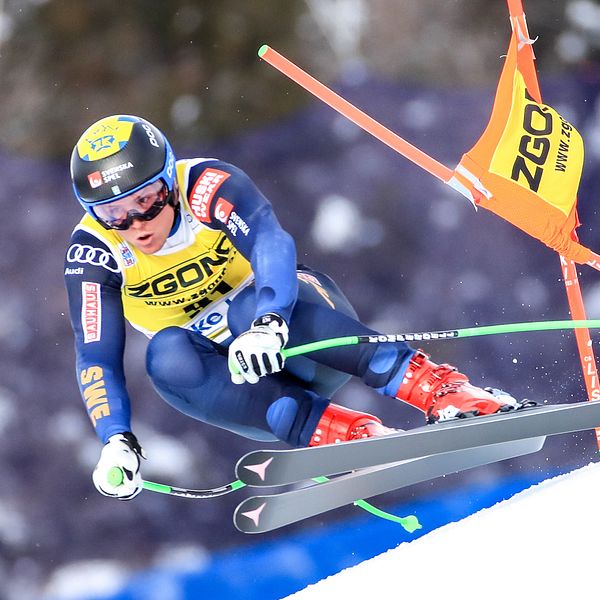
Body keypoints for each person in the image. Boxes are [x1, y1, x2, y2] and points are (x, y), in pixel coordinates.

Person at [65, 114, 526, 500]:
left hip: (297, 329)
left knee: (245, 309)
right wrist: (116, 439)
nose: (135, 224)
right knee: (165, 356)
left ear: (167, 182)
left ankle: (441, 390)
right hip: (247, 379)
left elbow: (270, 240)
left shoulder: (205, 186)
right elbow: (95, 358)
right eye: (113, 213)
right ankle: (350, 440)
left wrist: (269, 322)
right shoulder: (94, 252)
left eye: (144, 202)